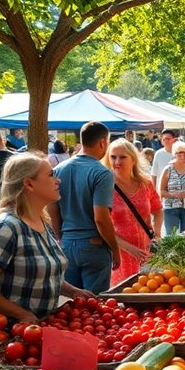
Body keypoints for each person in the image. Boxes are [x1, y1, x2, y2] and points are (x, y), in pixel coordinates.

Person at [0, 153, 95, 322]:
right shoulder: (5, 227)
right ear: (29, 183)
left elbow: (42, 273)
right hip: (7, 335)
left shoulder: (41, 221)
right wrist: (21, 314)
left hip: (36, 330)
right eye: (51, 175)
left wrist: (71, 290)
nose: (58, 180)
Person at [48, 121, 121, 295]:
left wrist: (61, 236)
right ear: (103, 142)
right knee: (94, 307)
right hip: (93, 245)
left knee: (72, 306)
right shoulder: (102, 172)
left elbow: (52, 210)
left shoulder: (58, 169)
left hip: (67, 243)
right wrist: (115, 249)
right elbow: (101, 217)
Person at [103, 139, 162, 287]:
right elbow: (102, 224)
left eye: (122, 157)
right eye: (113, 157)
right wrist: (129, 248)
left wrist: (157, 232)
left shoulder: (145, 183)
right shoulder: (105, 186)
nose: (117, 162)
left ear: (133, 159)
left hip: (147, 250)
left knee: (150, 291)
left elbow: (158, 209)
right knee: (125, 296)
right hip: (120, 254)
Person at [159, 141, 185, 235]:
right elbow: (161, 191)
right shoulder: (168, 169)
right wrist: (174, 195)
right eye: (179, 153)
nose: (182, 156)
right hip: (170, 208)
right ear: (174, 154)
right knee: (171, 237)